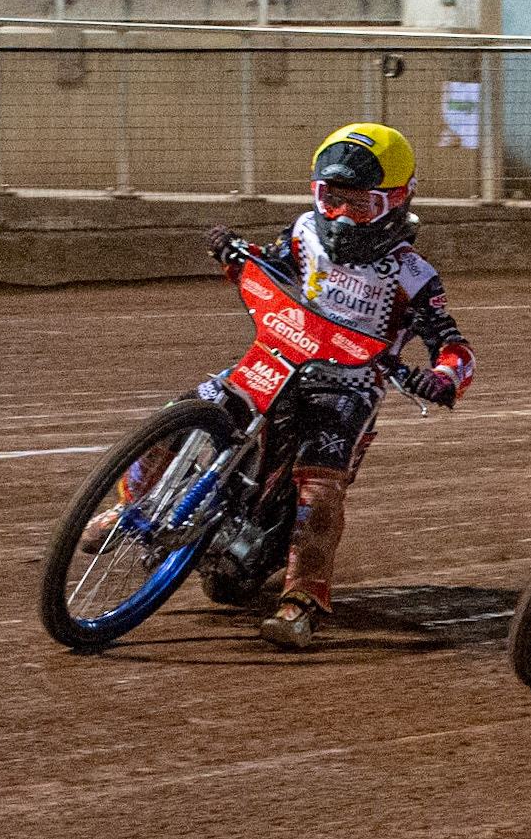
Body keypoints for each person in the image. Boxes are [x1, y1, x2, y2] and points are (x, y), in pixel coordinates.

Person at [203, 122, 476, 648]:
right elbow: (270, 261)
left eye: (361, 205)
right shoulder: (304, 233)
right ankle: (126, 508)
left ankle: (301, 603)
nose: (342, 217)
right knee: (200, 405)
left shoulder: (414, 274)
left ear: (396, 201)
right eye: (333, 200)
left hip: (348, 387)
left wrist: (442, 378)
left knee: (320, 486)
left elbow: (454, 347)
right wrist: (235, 250)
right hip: (278, 358)